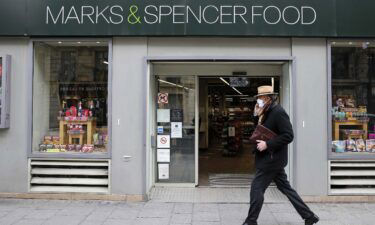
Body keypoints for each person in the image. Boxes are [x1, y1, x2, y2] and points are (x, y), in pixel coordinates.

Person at [243, 85, 319, 225]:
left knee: (256, 188)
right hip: (273, 160)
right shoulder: (264, 111)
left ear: (268, 98)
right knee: (286, 188)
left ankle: (251, 220)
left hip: (271, 159)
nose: (258, 100)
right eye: (258, 98)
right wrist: (256, 114)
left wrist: (267, 144)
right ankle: (309, 216)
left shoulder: (278, 112)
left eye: (260, 98)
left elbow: (289, 135)